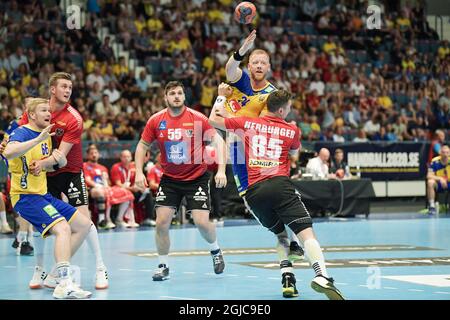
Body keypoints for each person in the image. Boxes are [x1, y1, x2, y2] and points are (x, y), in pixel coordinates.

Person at [209, 84, 344, 300]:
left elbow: (213, 120)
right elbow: (295, 151)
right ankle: (322, 276)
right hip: (280, 185)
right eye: (289, 107)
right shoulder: (292, 129)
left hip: (253, 192)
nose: (289, 110)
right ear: (281, 110)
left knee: (281, 235)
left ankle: (288, 278)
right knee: (305, 232)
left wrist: (221, 97)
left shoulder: (248, 123)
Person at [19, 72, 109, 290]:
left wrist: (41, 163)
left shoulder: (74, 119)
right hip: (44, 173)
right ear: (52, 89)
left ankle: (99, 268)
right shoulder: (36, 111)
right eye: (64, 86)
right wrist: (8, 145)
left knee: (84, 222)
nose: (68, 90)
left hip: (69, 171)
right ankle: (40, 269)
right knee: (41, 224)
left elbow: (61, 156)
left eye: (70, 87)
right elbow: (21, 135)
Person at [134, 81, 227, 281]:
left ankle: (215, 250)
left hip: (196, 178)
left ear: (184, 97)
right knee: (161, 223)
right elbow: (142, 146)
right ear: (165, 98)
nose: (176, 96)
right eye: (172, 94)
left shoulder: (198, 118)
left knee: (201, 222)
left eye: (179, 93)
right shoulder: (156, 120)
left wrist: (221, 170)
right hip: (170, 179)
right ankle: (163, 265)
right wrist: (139, 172)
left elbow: (218, 141)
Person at [224, 30, 303, 260]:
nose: (258, 65)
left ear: (268, 67)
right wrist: (241, 51)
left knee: (276, 194)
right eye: (255, 61)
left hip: (258, 150)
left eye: (263, 62)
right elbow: (230, 69)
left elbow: (274, 122)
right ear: (249, 66)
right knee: (252, 201)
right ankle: (283, 236)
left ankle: (294, 241)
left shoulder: (272, 94)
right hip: (237, 151)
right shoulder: (240, 81)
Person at [3, 98, 92, 299]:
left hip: (43, 195)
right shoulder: (22, 132)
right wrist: (36, 139)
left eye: (49, 111)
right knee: (63, 229)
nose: (48, 113)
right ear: (32, 114)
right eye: (43, 110)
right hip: (25, 197)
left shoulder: (47, 136)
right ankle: (64, 283)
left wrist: (50, 163)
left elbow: (56, 163)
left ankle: (53, 277)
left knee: (84, 225)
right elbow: (8, 152)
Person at [83, 145, 137, 228]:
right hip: (91, 189)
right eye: (91, 153)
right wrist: (98, 185)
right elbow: (87, 179)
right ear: (87, 155)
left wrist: (106, 179)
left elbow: (108, 183)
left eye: (96, 153)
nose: (94, 155)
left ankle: (119, 219)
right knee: (100, 192)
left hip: (105, 188)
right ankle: (102, 222)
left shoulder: (103, 168)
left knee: (127, 193)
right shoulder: (85, 166)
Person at [111, 150, 151, 227]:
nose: (126, 158)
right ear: (120, 158)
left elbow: (138, 181)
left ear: (131, 158)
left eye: (128, 156)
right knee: (128, 195)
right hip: (118, 192)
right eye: (124, 157)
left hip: (131, 191)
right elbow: (118, 184)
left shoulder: (133, 168)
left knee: (147, 192)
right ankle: (119, 219)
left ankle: (148, 219)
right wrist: (131, 188)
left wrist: (140, 187)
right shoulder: (116, 167)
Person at [426, 144, 450, 215]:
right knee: (430, 182)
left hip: (449, 182)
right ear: (440, 152)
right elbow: (429, 175)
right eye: (443, 152)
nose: (445, 154)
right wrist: (440, 179)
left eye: (447, 152)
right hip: (438, 184)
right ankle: (432, 206)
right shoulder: (435, 161)